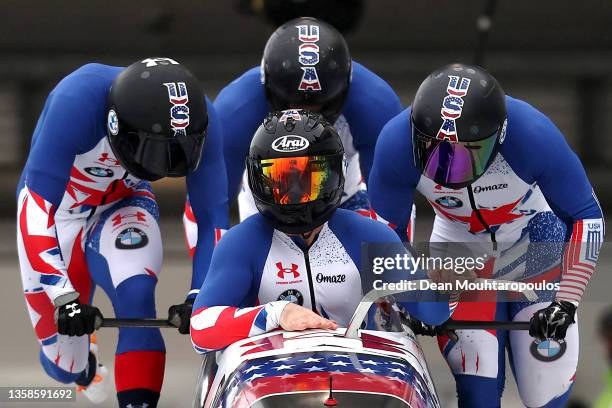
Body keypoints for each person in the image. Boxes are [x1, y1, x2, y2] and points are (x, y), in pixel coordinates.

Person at [368, 63, 605, 407]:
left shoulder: (534, 135)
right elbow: (385, 239)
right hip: (458, 250)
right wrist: (408, 298)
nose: (448, 169)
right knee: (477, 391)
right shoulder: (394, 144)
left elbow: (587, 217)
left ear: (500, 136)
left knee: (544, 391)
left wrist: (566, 300)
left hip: (533, 238)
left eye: (466, 155)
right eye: (433, 151)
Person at [17, 58, 227, 408]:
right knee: (64, 366)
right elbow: (36, 208)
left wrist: (200, 294)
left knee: (138, 296)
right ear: (114, 124)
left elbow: (213, 217)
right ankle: (85, 369)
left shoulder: (203, 117)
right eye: (154, 151)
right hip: (57, 213)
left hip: (125, 201)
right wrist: (63, 297)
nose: (164, 165)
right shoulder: (76, 101)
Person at [190, 110, 449, 353]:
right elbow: (201, 329)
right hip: (272, 380)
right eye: (280, 182)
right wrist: (277, 314)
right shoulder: (240, 244)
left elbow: (431, 311)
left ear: (335, 178)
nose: (294, 196)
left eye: (308, 181)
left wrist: (445, 285)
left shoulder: (371, 236)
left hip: (357, 374)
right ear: (258, 182)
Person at [182, 16, 415, 258]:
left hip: (343, 194)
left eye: (319, 107)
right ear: (269, 90)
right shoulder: (235, 111)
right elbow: (208, 210)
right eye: (293, 106)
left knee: (369, 272)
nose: (306, 118)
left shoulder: (375, 104)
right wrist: (206, 286)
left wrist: (391, 280)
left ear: (345, 89)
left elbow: (392, 203)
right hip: (271, 197)